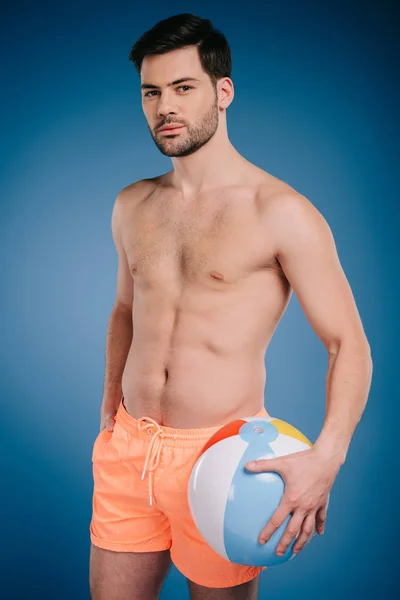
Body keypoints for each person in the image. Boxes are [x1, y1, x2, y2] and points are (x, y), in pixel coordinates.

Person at [89, 12, 372, 600]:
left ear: (223, 92)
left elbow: (349, 344)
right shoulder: (132, 204)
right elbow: (124, 309)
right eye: (152, 92)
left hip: (224, 459)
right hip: (128, 452)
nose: (165, 106)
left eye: (183, 88)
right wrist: (109, 410)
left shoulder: (281, 211)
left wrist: (328, 459)